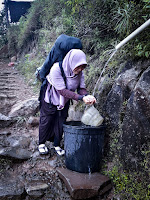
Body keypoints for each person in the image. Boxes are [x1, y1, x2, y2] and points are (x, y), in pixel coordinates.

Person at [38, 49, 96, 156]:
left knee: (61, 122)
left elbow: (81, 88)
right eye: (78, 66)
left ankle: (57, 145)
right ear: (71, 62)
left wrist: (87, 95)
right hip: (51, 98)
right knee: (46, 120)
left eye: (82, 67)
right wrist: (81, 98)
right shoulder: (56, 69)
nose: (80, 69)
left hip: (64, 101)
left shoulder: (79, 72)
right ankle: (41, 143)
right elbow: (62, 91)